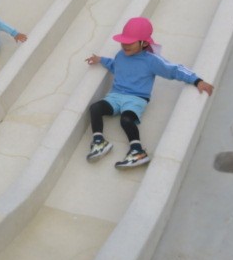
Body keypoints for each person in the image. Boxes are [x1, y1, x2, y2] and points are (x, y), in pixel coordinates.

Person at [84, 17, 214, 168]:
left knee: (126, 120)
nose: (125, 45)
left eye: (130, 43)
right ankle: (99, 142)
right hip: (115, 96)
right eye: (123, 42)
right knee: (95, 108)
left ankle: (137, 152)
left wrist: (197, 80)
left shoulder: (152, 61)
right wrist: (100, 60)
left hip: (136, 98)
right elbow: (116, 66)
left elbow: (173, 69)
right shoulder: (121, 55)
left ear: (144, 43)